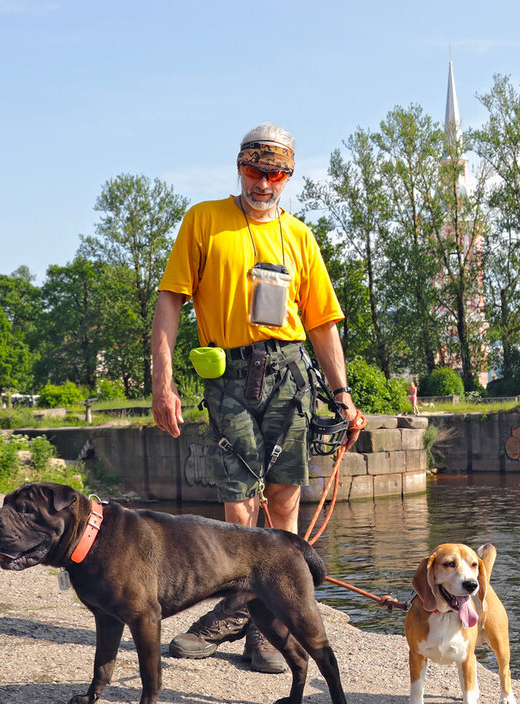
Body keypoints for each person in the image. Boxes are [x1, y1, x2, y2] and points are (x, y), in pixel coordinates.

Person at [151, 123, 362, 673]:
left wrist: (341, 395)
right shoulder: (204, 220)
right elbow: (170, 303)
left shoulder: (300, 238)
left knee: (286, 499)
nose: (263, 183)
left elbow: (322, 325)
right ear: (238, 167)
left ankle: (270, 620)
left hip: (290, 374)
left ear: (288, 176)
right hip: (229, 376)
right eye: (254, 170)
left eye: (275, 174)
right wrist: (162, 382)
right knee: (240, 500)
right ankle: (241, 608)